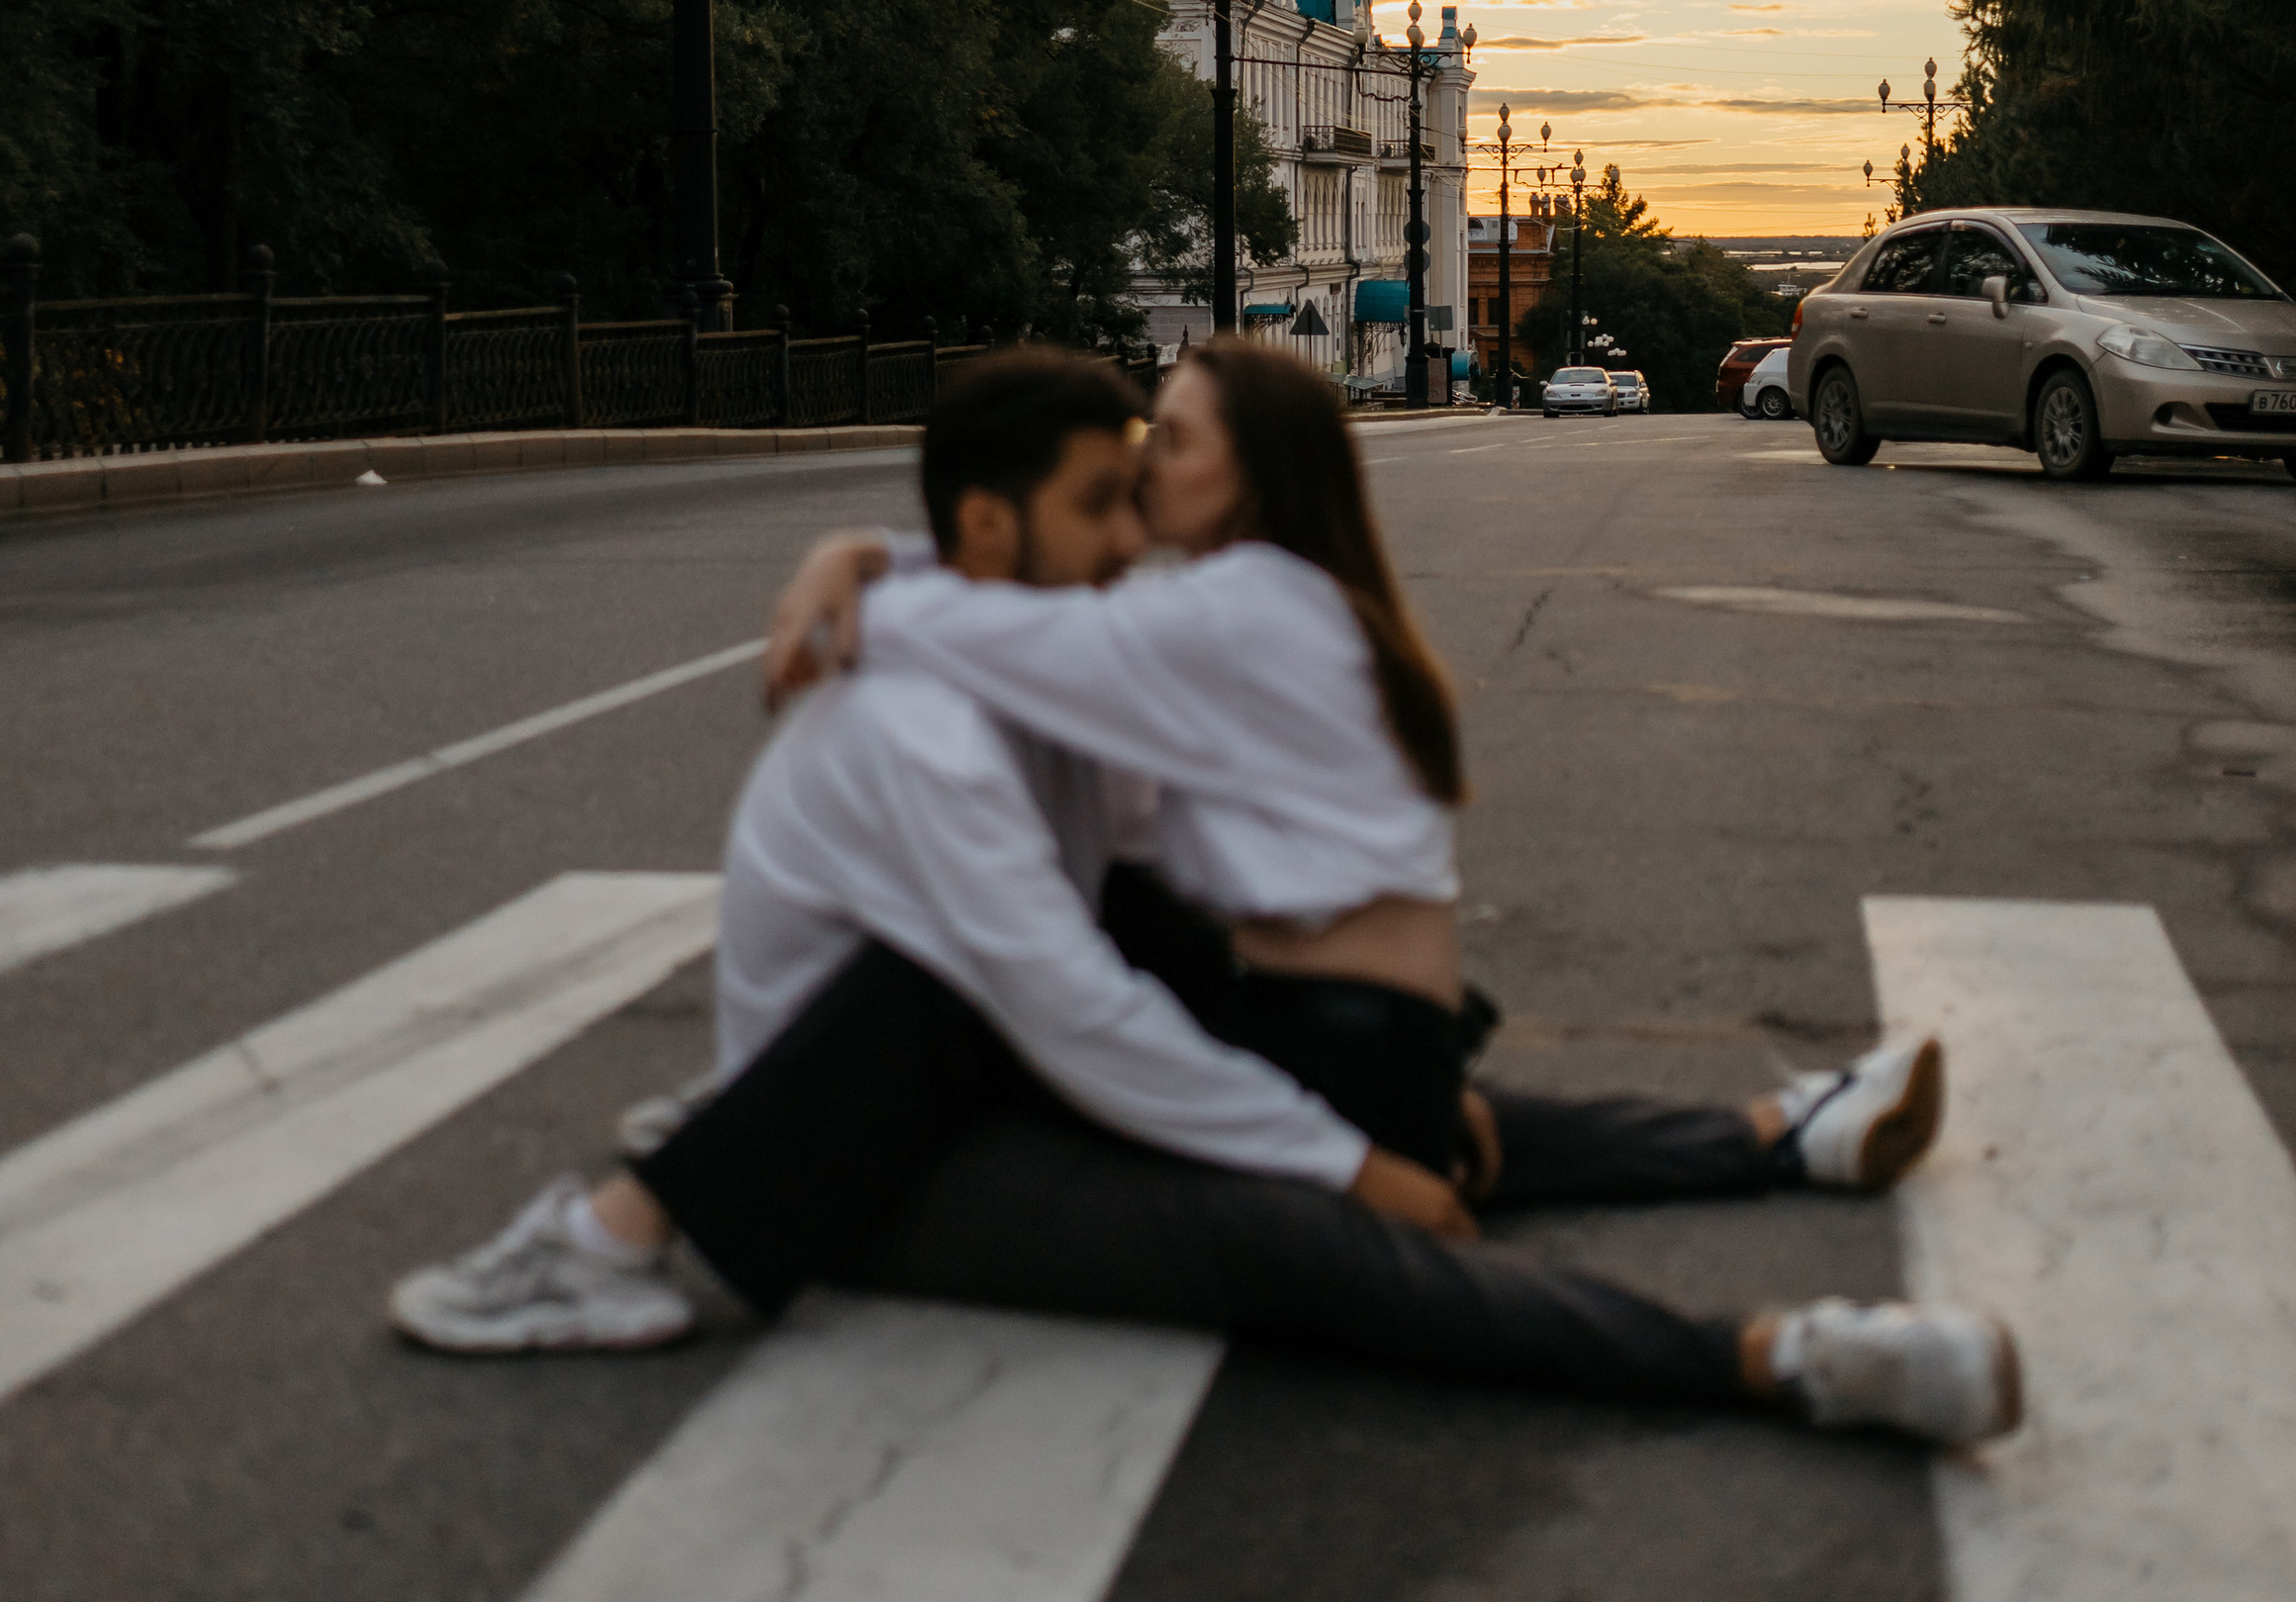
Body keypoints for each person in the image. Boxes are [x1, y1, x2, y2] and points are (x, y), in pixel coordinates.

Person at [393, 351, 2020, 1446]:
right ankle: (1777, 1359)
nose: (1133, 535)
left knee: (1344, 1082)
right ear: (991, 527)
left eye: (1145, 482)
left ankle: (1770, 1139)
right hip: (876, 1158)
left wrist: (866, 554)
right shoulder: (922, 732)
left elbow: (1136, 917)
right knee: (1291, 1228)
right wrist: (1341, 1159)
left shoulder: (1063, 685)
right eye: (1102, 502)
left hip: (989, 1082)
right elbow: (1062, 1004)